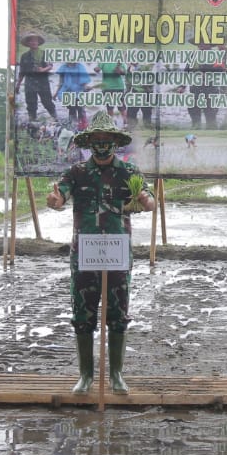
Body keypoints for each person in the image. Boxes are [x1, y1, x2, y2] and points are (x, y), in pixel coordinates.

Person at [47, 111, 154, 395]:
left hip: (117, 254)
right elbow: (60, 196)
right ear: (89, 142)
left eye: (107, 139)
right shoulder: (77, 172)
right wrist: (55, 199)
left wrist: (145, 200)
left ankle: (116, 374)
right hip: (85, 254)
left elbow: (148, 199)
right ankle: (85, 376)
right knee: (83, 313)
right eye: (97, 139)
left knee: (118, 313)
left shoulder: (129, 172)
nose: (102, 144)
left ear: (115, 142)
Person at [15, 31, 58, 123]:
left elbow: (50, 66)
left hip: (43, 81)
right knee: (31, 103)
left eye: (35, 40)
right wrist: (18, 84)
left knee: (47, 102)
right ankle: (32, 121)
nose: (34, 42)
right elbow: (22, 71)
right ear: (28, 43)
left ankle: (56, 118)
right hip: (29, 82)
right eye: (31, 41)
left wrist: (43, 70)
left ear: (38, 42)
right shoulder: (24, 56)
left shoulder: (44, 53)